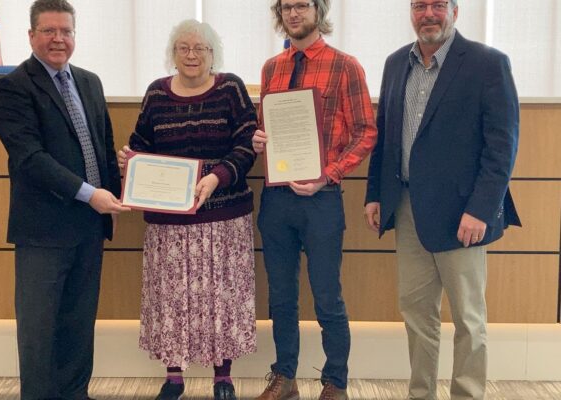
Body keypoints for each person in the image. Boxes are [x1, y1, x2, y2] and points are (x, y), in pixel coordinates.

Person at [364, 1, 521, 399]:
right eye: (420, 5)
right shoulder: (396, 62)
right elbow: (385, 137)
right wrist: (375, 195)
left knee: (469, 319)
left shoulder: (488, 63)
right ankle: (421, 394)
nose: (428, 13)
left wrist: (481, 209)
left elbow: (501, 147)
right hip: (406, 207)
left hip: (462, 215)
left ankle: (467, 393)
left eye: (437, 5)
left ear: (455, 11)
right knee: (417, 317)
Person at [0, 0, 128, 399]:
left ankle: (75, 394)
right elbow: (30, 159)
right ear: (31, 35)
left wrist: (113, 201)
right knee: (39, 331)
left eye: (66, 31)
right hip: (43, 232)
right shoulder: (14, 87)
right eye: (49, 31)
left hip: (89, 227)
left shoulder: (90, 81)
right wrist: (91, 195)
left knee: (78, 324)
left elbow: (102, 146)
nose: (58, 39)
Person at [117, 19, 257, 400]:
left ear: (213, 54)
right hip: (169, 222)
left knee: (222, 298)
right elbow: (139, 144)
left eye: (200, 48)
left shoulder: (231, 88)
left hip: (224, 216)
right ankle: (174, 376)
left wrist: (217, 178)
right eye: (184, 48)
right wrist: (129, 163)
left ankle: (223, 377)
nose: (192, 55)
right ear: (173, 53)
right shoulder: (156, 94)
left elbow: (247, 146)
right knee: (172, 298)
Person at [251, 1, 377, 399]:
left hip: (322, 199)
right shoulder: (272, 68)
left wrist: (330, 175)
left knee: (327, 296)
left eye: (302, 5)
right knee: (281, 296)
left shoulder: (346, 65)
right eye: (287, 7)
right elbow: (265, 127)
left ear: (317, 11)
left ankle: (335, 381)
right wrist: (258, 139)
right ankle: (284, 377)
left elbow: (365, 132)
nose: (294, 13)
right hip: (276, 198)